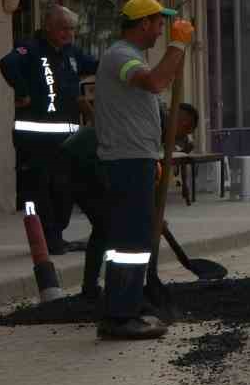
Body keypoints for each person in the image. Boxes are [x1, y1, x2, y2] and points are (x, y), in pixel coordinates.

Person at [94, 0, 191, 341]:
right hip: (125, 160)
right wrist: (178, 45)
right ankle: (121, 315)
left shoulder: (131, 56)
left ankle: (127, 307)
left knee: (133, 238)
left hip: (136, 159)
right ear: (143, 23)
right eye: (158, 24)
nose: (161, 30)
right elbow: (154, 82)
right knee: (130, 241)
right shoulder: (121, 56)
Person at [60, 102, 198, 301]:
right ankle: (109, 291)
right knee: (108, 226)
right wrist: (150, 213)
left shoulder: (155, 120)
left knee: (105, 226)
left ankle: (96, 289)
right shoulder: (153, 123)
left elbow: (145, 176)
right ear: (183, 121)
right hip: (85, 159)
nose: (178, 138)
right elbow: (139, 173)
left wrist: (152, 213)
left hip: (86, 158)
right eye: (184, 132)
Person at [0, 5, 99, 254]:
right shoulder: (31, 48)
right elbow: (7, 63)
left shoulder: (72, 53)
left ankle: (58, 236)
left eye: (72, 29)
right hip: (36, 138)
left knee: (64, 190)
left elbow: (97, 66)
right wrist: (22, 92)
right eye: (63, 28)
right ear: (49, 27)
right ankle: (48, 240)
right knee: (40, 189)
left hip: (67, 138)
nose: (69, 34)